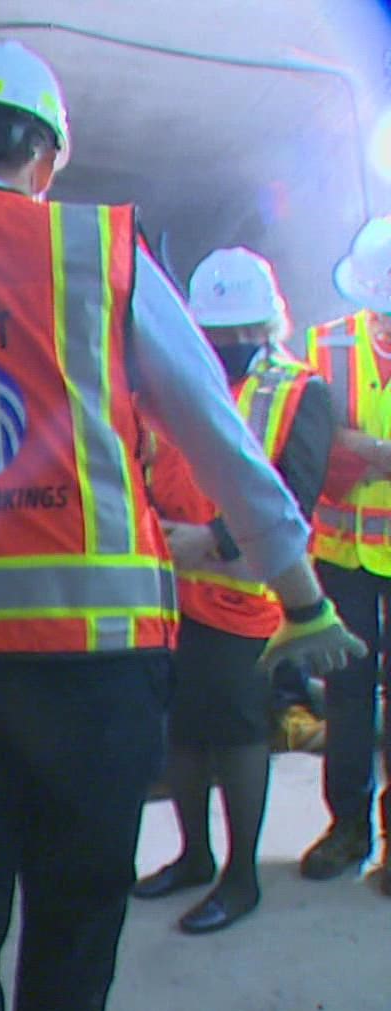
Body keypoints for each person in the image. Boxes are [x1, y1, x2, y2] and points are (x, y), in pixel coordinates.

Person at [0, 41, 364, 1011]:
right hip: (93, 669)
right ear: (48, 156)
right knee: (73, 922)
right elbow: (217, 437)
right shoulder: (99, 254)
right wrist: (300, 595)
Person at [133, 247, 333, 934]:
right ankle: (193, 856)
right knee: (183, 731)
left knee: (239, 732)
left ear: (270, 325)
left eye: (244, 332)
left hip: (245, 590)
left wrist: (211, 543)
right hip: (169, 594)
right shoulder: (167, 383)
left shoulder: (303, 392)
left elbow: (294, 502)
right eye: (221, 334)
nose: (232, 346)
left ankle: (240, 877)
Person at [299, 214, 391, 892]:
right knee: (348, 693)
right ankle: (348, 827)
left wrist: (376, 453)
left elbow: (351, 444)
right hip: (343, 550)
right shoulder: (322, 348)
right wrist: (350, 453)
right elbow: (301, 440)